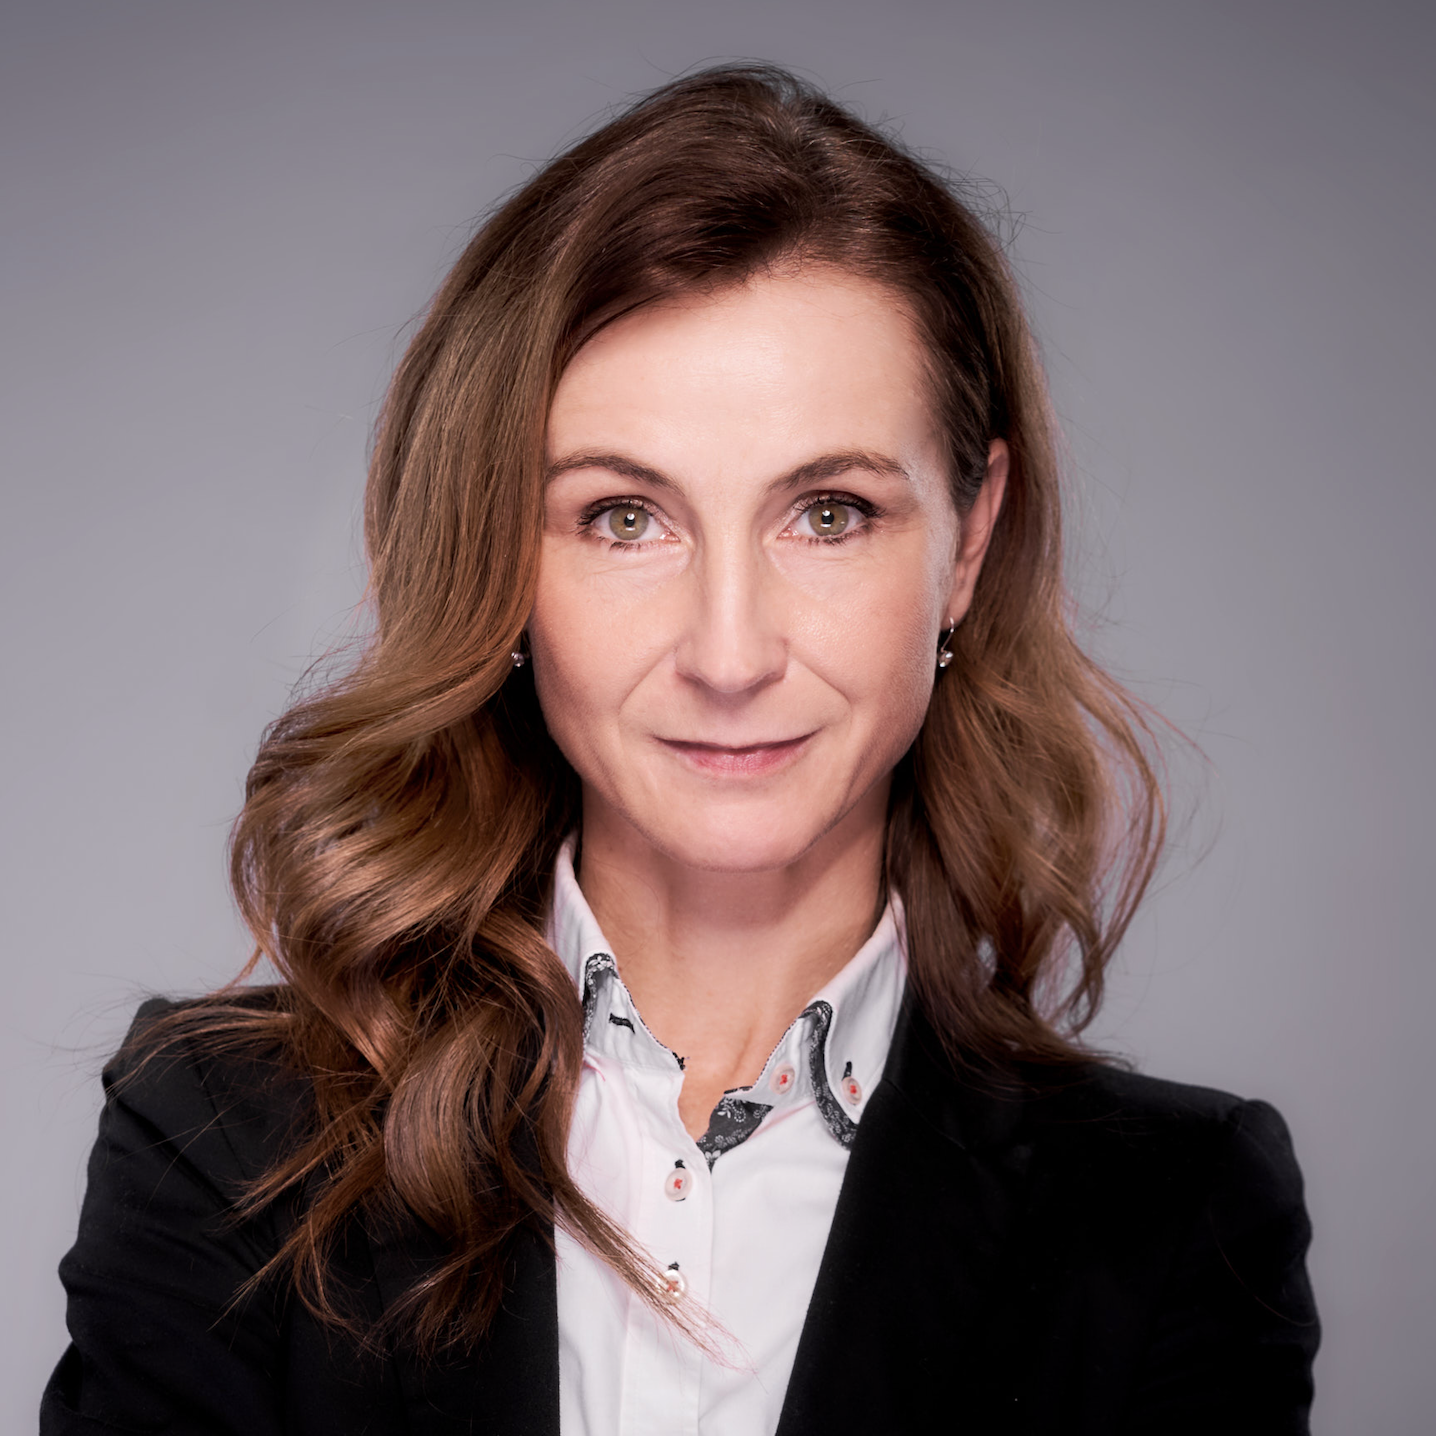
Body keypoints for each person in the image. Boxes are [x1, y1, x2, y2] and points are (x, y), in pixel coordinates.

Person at [41, 64, 1318, 1436]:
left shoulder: (1176, 1216)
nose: (729, 652)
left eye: (829, 513)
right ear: (499, 560)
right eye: (623, 518)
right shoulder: (225, 1138)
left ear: (969, 541)